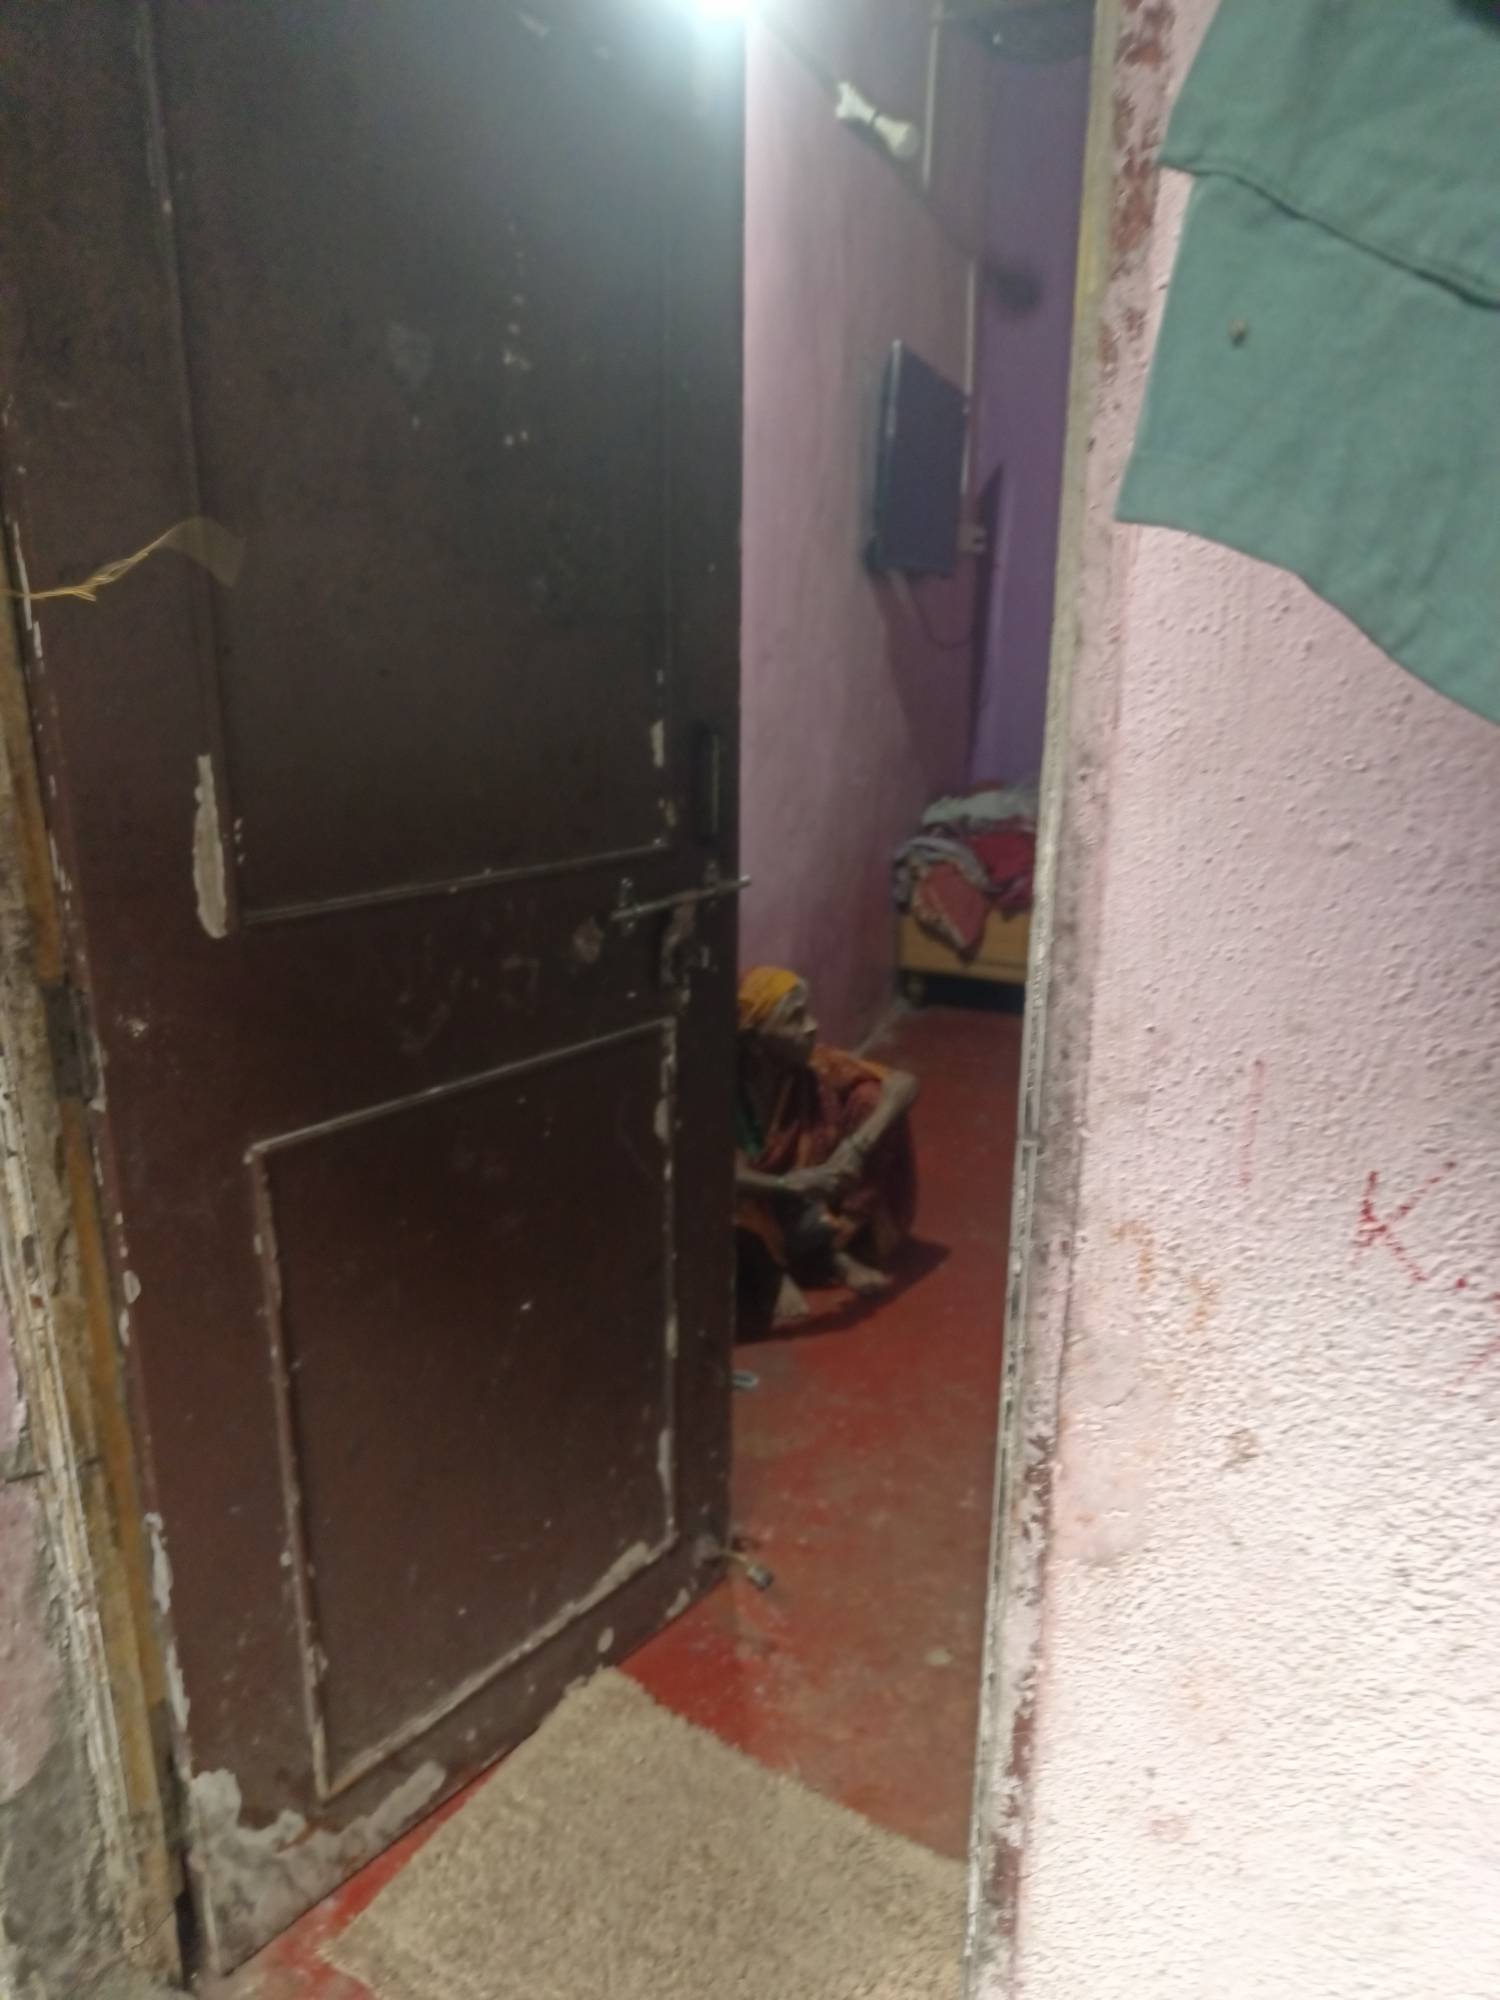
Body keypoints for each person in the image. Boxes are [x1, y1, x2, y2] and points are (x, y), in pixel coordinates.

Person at [734, 966, 918, 1331]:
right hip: (755, 1203)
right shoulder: (726, 1085)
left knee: (871, 1101)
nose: (811, 1026)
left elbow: (903, 1083)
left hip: (805, 1197)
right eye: (794, 1019)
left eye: (807, 1013)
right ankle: (770, 1273)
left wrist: (856, 1147)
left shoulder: (810, 1065)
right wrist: (792, 1184)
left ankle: (834, 1250)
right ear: (755, 1040)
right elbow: (720, 1174)